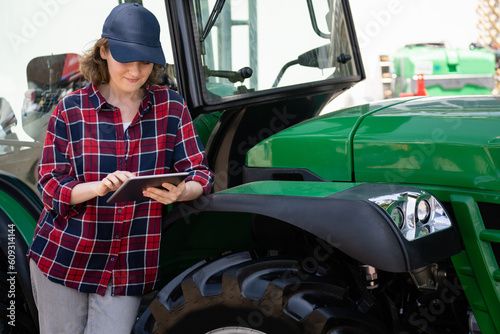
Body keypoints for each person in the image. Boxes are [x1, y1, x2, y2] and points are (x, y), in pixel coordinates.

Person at [27, 3, 214, 333]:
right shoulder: (71, 110)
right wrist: (98, 187)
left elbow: (200, 173)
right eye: (126, 58)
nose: (136, 70)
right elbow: (50, 186)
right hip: (64, 257)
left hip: (127, 264)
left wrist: (182, 192)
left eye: (145, 61)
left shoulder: (171, 107)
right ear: (104, 50)